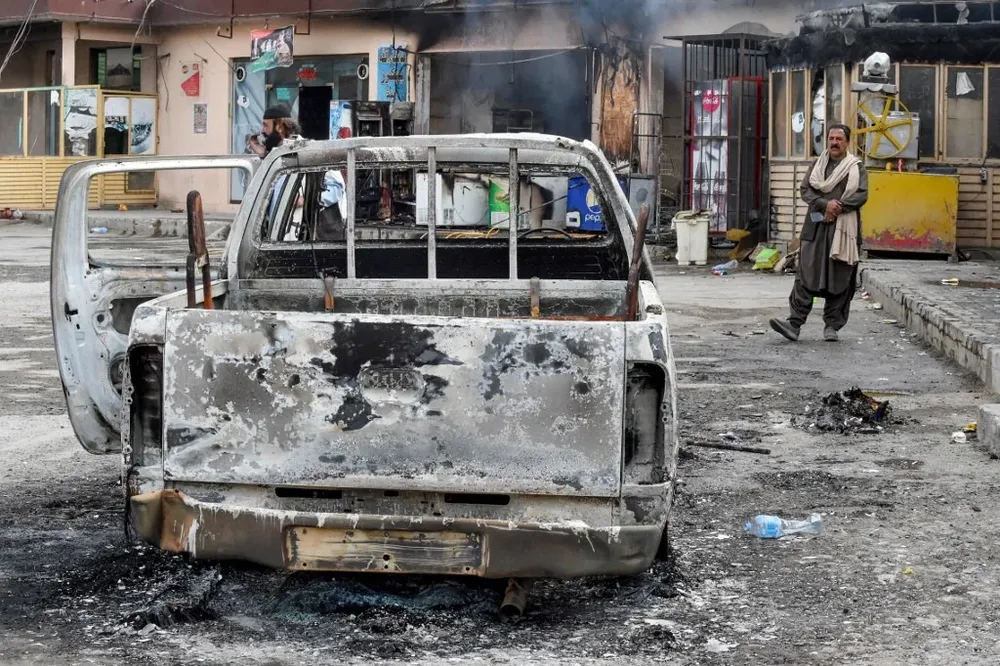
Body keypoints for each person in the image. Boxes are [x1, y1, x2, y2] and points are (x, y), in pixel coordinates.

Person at [770, 124, 869, 343]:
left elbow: (861, 195)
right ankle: (794, 325)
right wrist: (825, 204)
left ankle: (832, 326)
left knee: (840, 277)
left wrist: (838, 208)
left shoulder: (856, 167)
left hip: (844, 230)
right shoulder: (817, 165)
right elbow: (806, 190)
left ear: (847, 142)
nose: (834, 142)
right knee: (806, 275)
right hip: (815, 226)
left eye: (839, 139)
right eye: (831, 138)